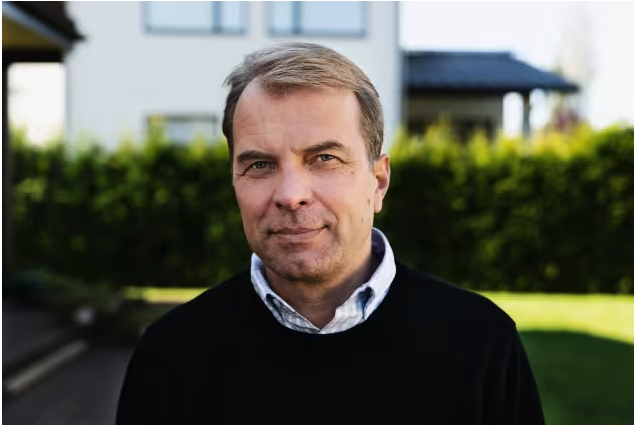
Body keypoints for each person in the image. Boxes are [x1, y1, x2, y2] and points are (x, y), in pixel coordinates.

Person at [115, 42, 545, 425]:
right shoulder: (171, 356)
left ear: (378, 182)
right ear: (234, 182)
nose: (291, 195)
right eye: (260, 165)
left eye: (324, 158)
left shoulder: (481, 344)